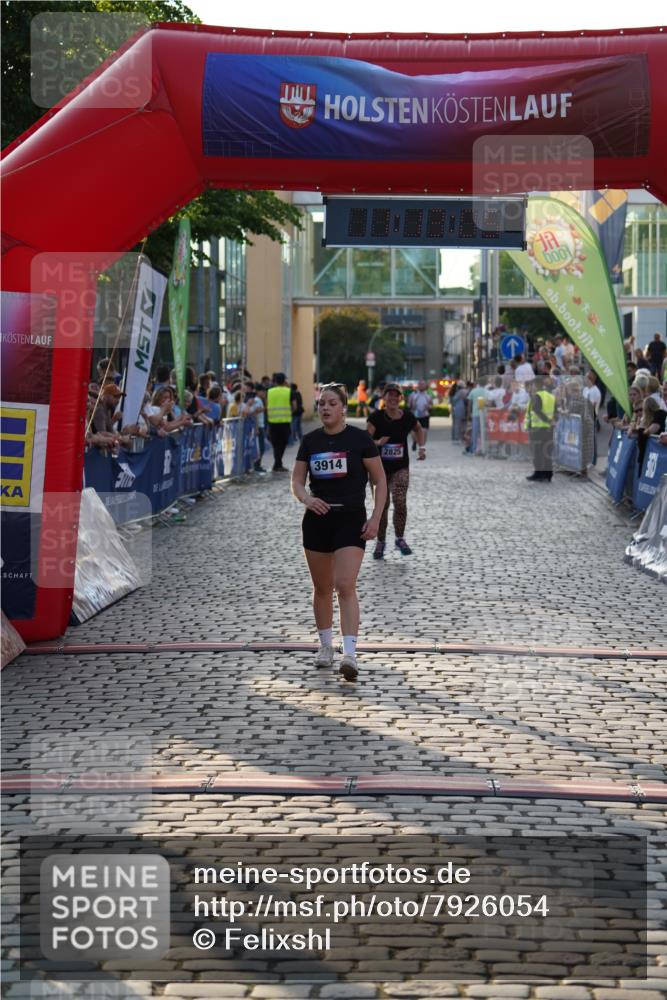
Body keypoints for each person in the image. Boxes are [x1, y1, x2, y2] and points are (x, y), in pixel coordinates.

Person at [291, 383, 387, 682]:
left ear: (344, 407)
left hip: (350, 519)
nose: (325, 408)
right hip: (317, 520)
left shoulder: (360, 440)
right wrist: (307, 498)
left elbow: (380, 481)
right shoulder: (310, 441)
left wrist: (375, 519)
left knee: (344, 584)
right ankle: (325, 647)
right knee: (321, 588)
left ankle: (350, 654)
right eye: (321, 404)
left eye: (331, 403)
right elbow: (296, 481)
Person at [367, 382, 425, 559]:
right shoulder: (376, 417)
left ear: (401, 398)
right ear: (383, 398)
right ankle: (381, 542)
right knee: (382, 506)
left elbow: (418, 428)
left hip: (400, 467)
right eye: (389, 395)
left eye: (396, 395)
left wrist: (422, 447)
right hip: (379, 470)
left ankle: (399, 538)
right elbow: (365, 440)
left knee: (400, 501)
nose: (392, 398)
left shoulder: (407, 417)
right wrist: (377, 443)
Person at [525, 376, 557, 482]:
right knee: (547, 452)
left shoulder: (537, 396)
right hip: (549, 429)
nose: (532, 387)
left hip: (537, 428)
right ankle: (548, 474)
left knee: (537, 452)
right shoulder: (551, 396)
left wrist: (547, 420)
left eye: (532, 385)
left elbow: (536, 409)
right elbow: (556, 411)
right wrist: (552, 421)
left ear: (536, 385)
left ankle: (538, 474)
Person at [267, 372, 292, 472]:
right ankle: (278, 464)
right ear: (284, 380)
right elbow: (294, 406)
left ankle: (277, 463)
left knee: (275, 444)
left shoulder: (270, 391)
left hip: (272, 422)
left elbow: (267, 404)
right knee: (282, 444)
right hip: (285, 422)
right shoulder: (289, 391)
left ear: (275, 381)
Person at [408, 379, 433, 451]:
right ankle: (415, 441)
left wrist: (429, 407)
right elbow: (409, 405)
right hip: (415, 415)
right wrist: (412, 406)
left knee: (424, 431)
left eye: (423, 384)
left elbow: (431, 405)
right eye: (420, 384)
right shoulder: (413, 395)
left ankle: (422, 447)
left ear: (425, 386)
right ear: (418, 385)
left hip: (425, 415)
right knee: (414, 431)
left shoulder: (428, 395)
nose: (421, 385)